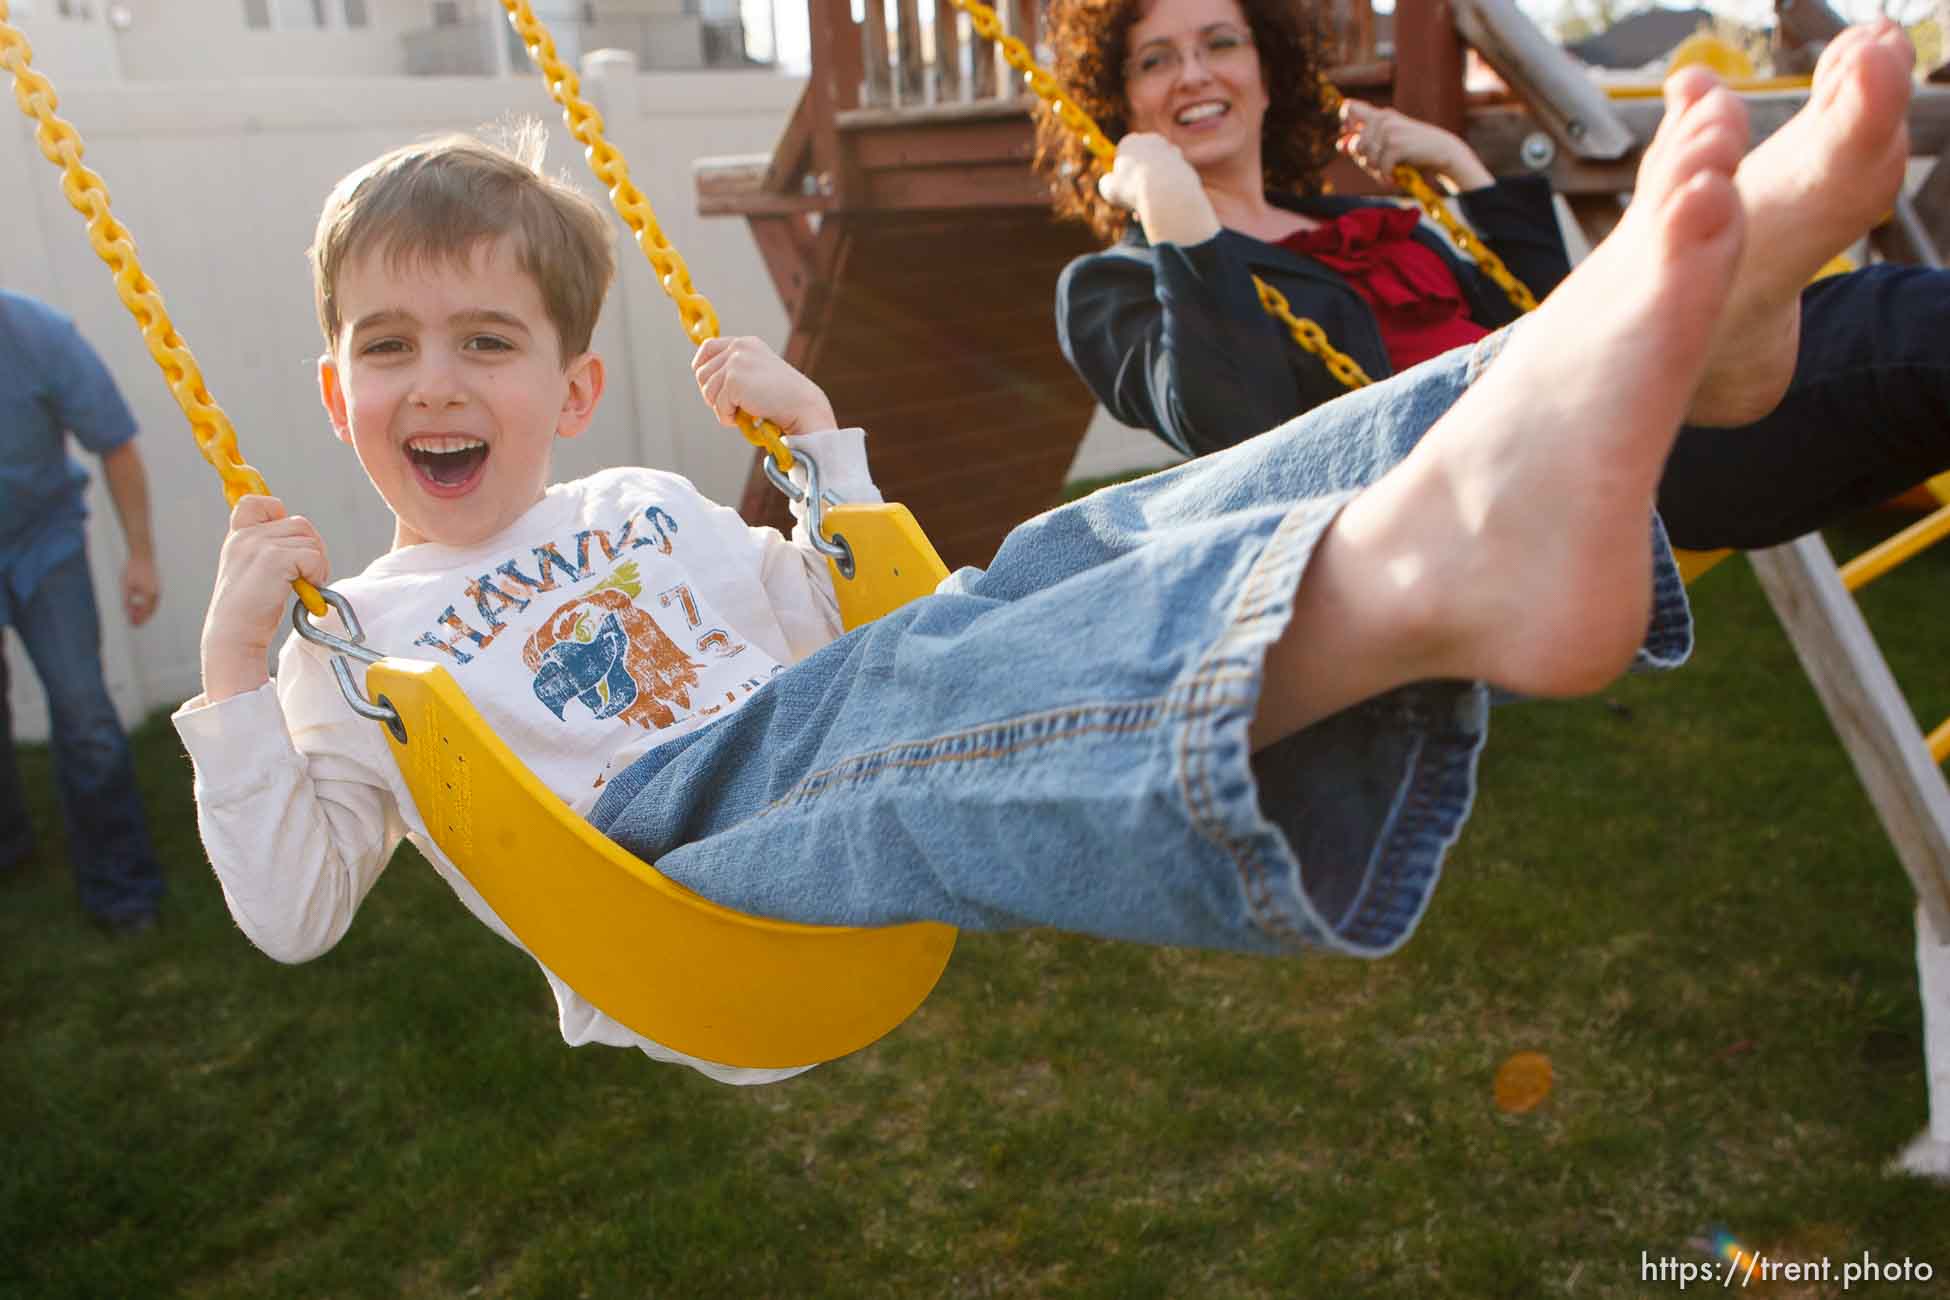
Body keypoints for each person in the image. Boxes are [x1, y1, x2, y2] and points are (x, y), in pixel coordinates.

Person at [173, 34, 1895, 1086]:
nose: (437, 382)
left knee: (1061, 562)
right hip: (662, 884)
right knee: (944, 674)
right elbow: (297, 907)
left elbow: (880, 623)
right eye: (389, 348)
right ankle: (1452, 550)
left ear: (572, 386)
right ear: (336, 393)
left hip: (824, 741)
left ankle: (1587, 365)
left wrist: (821, 450)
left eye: (485, 340)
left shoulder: (646, 506)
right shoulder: (356, 645)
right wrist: (240, 678)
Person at [1042, 0, 1950, 553]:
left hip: (1588, 419)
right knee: (1878, 331)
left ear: (1267, 72)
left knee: (1902, 348)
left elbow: (1534, 310)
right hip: (1469, 493)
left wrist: (1460, 173)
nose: (1195, 74)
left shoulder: (1359, 216)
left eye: (1220, 44)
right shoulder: (1110, 285)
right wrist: (1175, 215)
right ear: (1116, 102)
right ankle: (1706, 311)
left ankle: (1707, 323)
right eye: (1155, 59)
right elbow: (1241, 436)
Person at [0, 289, 166, 935]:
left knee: (85, 714)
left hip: (45, 546)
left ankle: (122, 890)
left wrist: (142, 556)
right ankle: (9, 849)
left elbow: (115, 443)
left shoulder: (37, 332)